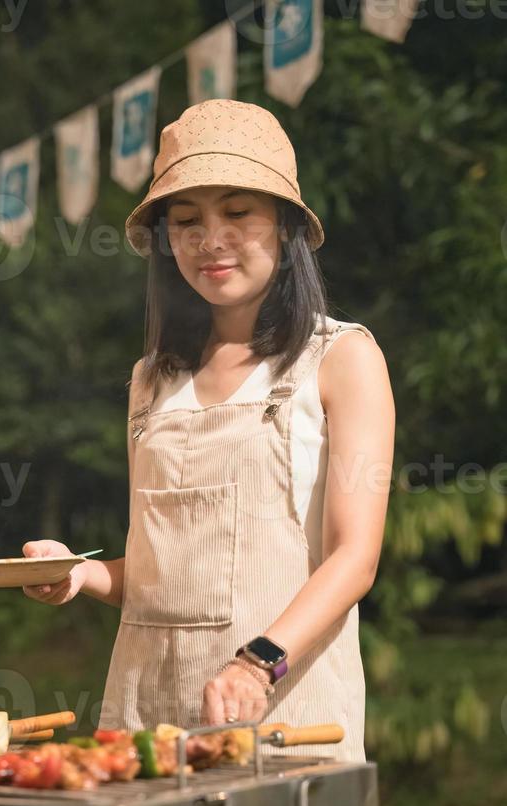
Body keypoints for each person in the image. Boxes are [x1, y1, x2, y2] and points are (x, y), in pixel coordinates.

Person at [23, 99, 395, 763]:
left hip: (284, 715)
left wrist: (259, 665)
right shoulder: (151, 378)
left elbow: (354, 558)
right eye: (187, 221)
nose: (210, 239)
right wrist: (79, 575)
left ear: (282, 226)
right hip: (144, 719)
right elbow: (158, 575)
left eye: (237, 212)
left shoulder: (342, 358)